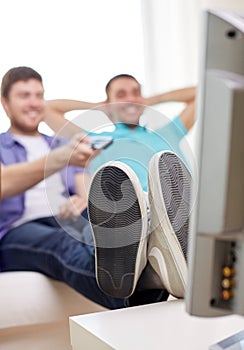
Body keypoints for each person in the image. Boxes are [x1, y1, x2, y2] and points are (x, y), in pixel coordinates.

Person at [0, 66, 190, 309]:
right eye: (24, 96)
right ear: (5, 103)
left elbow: (82, 190)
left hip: (65, 218)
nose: (35, 103)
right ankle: (138, 291)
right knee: (63, 243)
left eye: (39, 95)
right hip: (17, 231)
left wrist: (81, 200)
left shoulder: (59, 144)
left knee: (98, 230)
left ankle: (159, 264)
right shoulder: (30, 147)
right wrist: (58, 158)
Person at [44, 74, 196, 193]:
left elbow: (201, 93)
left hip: (182, 213)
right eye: (121, 95)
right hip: (132, 221)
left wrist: (148, 100)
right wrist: (99, 106)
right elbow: (47, 109)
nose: (130, 98)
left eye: (135, 93)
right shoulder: (95, 141)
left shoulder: (168, 133)